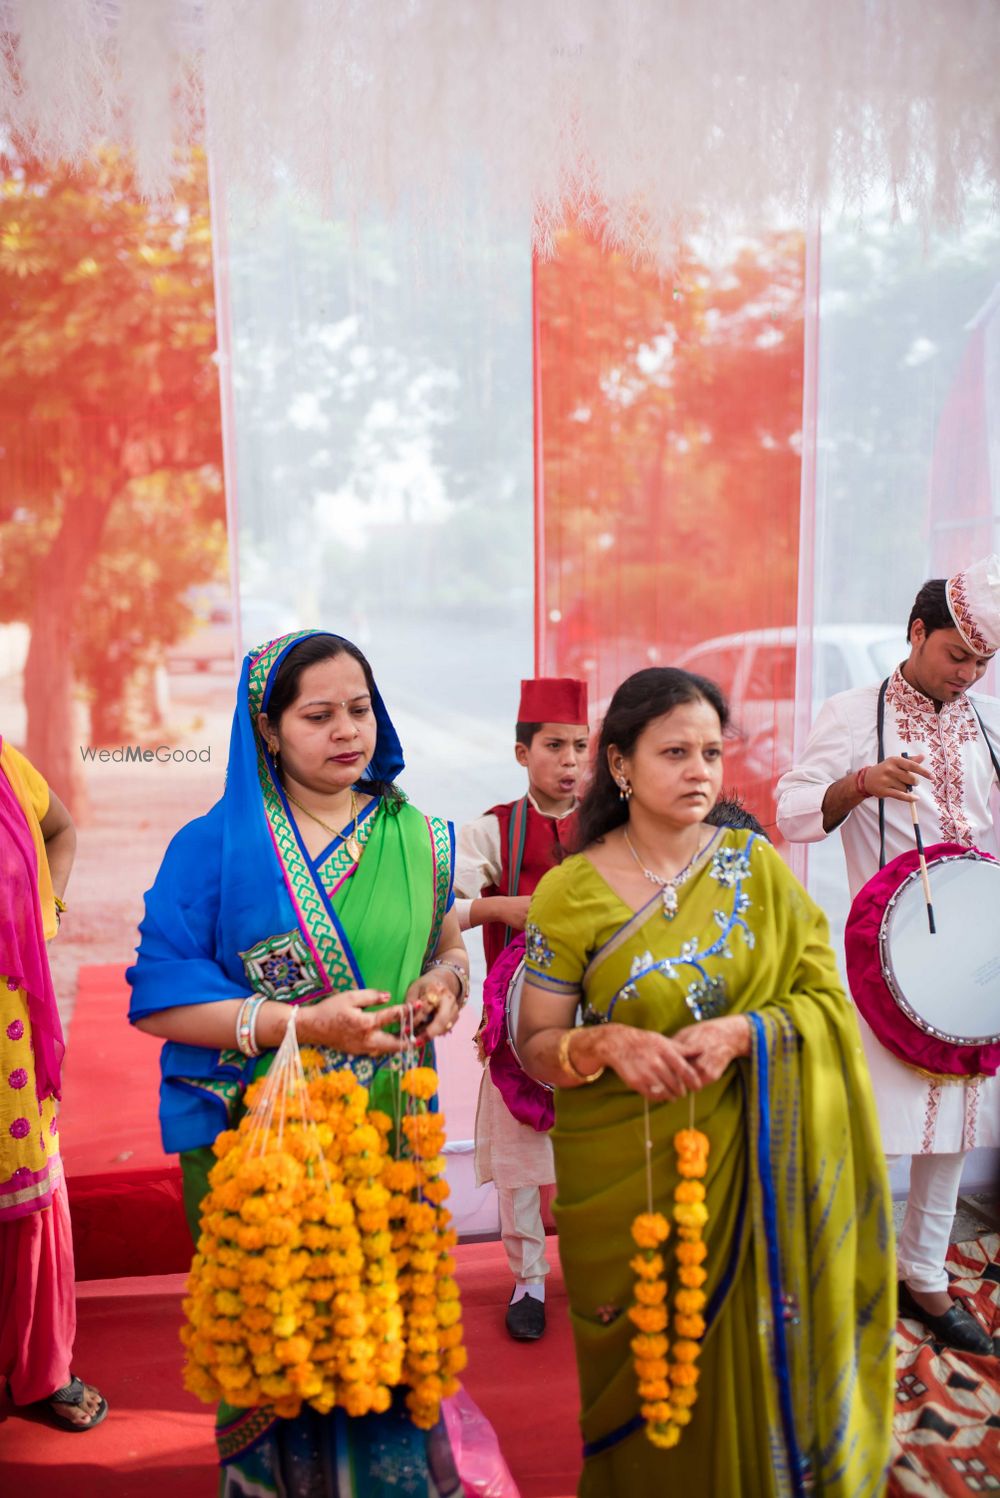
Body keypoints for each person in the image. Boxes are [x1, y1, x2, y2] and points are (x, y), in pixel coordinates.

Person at [517, 668, 894, 1496]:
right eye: (675, 752)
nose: (700, 772)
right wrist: (605, 1042)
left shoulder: (755, 869)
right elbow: (534, 1044)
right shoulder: (569, 893)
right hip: (630, 1182)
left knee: (757, 1371)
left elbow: (825, 998)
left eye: (713, 753)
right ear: (619, 765)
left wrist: (744, 1031)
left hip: (756, 1177)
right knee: (651, 1386)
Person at [128, 630, 474, 1496]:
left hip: (388, 1142)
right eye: (318, 714)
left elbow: (443, 950)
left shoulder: (419, 837)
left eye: (359, 708)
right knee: (276, 1346)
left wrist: (444, 982)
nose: (347, 730)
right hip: (265, 1148)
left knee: (383, 1350)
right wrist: (302, 1026)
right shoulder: (210, 849)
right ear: (268, 730)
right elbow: (160, 998)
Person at [777, 559, 1000, 1355]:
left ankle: (926, 1277)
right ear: (915, 633)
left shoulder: (989, 724)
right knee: (866, 1127)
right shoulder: (851, 712)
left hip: (975, 968)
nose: (967, 676)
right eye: (955, 657)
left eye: (982, 664)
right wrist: (861, 782)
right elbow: (792, 813)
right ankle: (838, 1277)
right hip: (889, 964)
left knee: (959, 1126)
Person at [453, 678, 588, 1341]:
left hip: (595, 1022)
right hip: (514, 1027)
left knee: (595, 1157)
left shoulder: (609, 823)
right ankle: (527, 1277)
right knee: (520, 1165)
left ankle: (594, 1270)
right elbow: (441, 908)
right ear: (520, 751)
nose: (570, 761)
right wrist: (502, 908)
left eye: (581, 747)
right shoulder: (493, 829)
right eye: (556, 745)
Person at [0, 734, 107, 1431]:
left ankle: (42, 1370)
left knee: (26, 1194)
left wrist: (47, 913)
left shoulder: (6, 765)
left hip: (8, 1035)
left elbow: (61, 829)